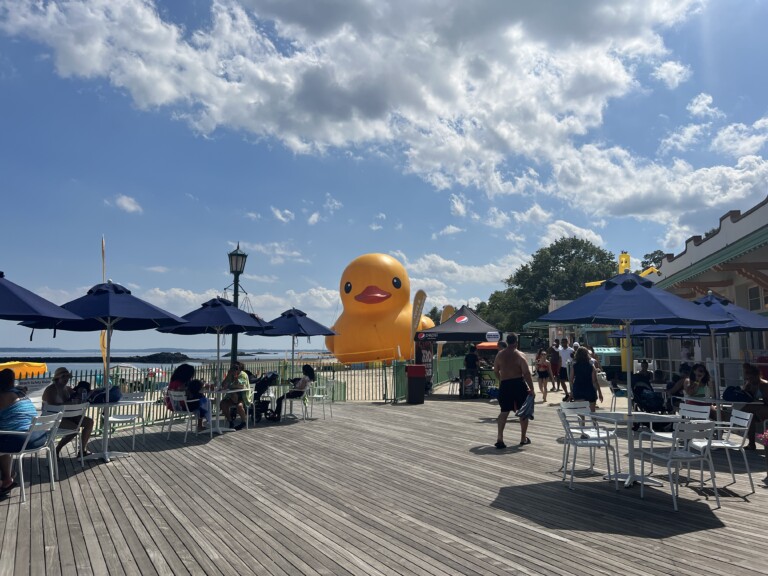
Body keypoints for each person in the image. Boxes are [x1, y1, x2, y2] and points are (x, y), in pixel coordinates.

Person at [0, 368, 46, 496]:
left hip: (24, 439)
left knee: (3, 441)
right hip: (39, 436)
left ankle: (6, 478)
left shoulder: (3, 397)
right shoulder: (21, 393)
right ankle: (7, 478)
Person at [493, 333, 535, 448]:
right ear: (516, 342)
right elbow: (526, 373)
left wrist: (501, 379)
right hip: (518, 384)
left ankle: (500, 438)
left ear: (507, 342)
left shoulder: (499, 355)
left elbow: (496, 370)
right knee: (523, 412)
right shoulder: (520, 355)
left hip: (505, 384)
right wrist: (532, 388)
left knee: (504, 411)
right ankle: (523, 438)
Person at [41, 367, 94, 458]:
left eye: (67, 377)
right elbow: (51, 407)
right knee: (74, 429)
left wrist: (82, 393)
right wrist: (67, 403)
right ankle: (57, 449)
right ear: (57, 378)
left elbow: (78, 397)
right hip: (54, 418)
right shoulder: (51, 389)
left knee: (89, 422)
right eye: (63, 377)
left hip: (68, 416)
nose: (66, 379)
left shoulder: (67, 389)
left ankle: (82, 451)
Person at [741, 363, 768, 450]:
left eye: (751, 378)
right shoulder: (749, 384)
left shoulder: (764, 385)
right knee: (750, 418)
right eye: (747, 378)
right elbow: (744, 396)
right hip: (760, 408)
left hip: (766, 407)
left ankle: (751, 443)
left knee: (749, 415)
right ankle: (751, 444)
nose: (749, 380)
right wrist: (748, 387)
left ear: (757, 376)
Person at [569, 346, 603, 412]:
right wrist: (600, 393)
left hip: (578, 390)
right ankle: (594, 422)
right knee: (592, 413)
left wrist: (572, 390)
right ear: (587, 355)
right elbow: (594, 381)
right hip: (589, 390)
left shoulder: (574, 366)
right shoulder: (591, 366)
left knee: (581, 413)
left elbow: (570, 380)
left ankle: (582, 423)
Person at [220, 362, 251, 430]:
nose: (234, 369)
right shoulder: (230, 375)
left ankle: (243, 422)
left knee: (239, 406)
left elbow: (241, 385)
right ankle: (230, 421)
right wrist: (228, 375)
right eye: (233, 368)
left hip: (242, 396)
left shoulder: (243, 375)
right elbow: (223, 385)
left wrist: (235, 378)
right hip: (231, 396)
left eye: (236, 368)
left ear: (239, 369)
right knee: (223, 404)